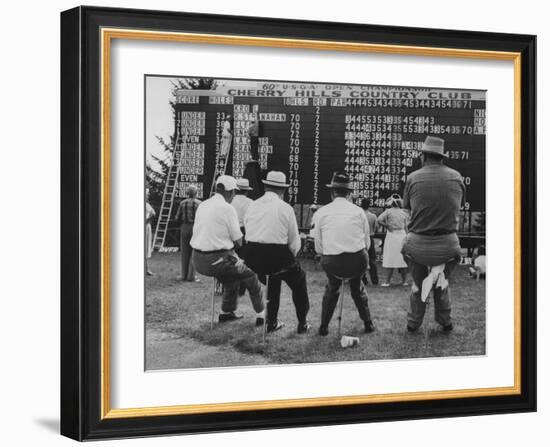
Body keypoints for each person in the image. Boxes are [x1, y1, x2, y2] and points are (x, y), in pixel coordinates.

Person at [402, 136, 465, 332]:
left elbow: (407, 209)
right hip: (447, 246)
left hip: (417, 246)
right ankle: (445, 321)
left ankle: (413, 323)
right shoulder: (456, 177)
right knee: (441, 282)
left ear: (423, 157)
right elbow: (458, 207)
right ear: (442, 157)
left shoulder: (413, 178)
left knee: (419, 284)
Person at [191, 175, 264, 324]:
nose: (234, 196)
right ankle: (262, 314)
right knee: (251, 274)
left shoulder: (203, 205)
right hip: (217, 259)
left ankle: (226, 312)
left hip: (197, 259)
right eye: (234, 193)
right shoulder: (227, 208)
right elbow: (238, 241)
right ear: (230, 192)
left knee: (231, 278)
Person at [243, 171, 311, 334]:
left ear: (266, 186)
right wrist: (291, 258)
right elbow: (294, 242)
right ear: (282, 190)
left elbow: (248, 233)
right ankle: (302, 323)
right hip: (277, 257)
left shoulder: (252, 205)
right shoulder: (285, 208)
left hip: (253, 257)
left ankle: (272, 322)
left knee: (273, 279)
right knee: (298, 280)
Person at [312, 172, 375, 336]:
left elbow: (318, 247)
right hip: (358, 260)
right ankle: (368, 323)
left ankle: (324, 326)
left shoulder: (321, 212)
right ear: (349, 193)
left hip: (332, 262)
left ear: (333, 192)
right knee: (357, 288)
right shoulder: (359, 212)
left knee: (332, 288)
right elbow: (367, 243)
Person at [377, 194, 409, 287]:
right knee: (402, 258)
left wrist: (387, 225)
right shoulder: (404, 213)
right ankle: (404, 281)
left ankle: (387, 281)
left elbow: (379, 220)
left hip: (392, 235)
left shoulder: (388, 212)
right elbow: (407, 226)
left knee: (390, 257)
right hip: (402, 235)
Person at [175, 185, 202, 281]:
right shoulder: (199, 203)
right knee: (193, 251)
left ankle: (183, 275)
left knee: (184, 252)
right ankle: (191, 276)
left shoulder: (182, 203)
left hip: (184, 227)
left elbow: (177, 217)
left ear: (187, 193)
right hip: (195, 227)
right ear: (195, 193)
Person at [359, 198, 379, 285]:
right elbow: (376, 228)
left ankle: (363, 279)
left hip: (360, 239)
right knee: (372, 260)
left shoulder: (358, 215)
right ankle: (375, 280)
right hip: (370, 238)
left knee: (360, 260)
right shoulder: (373, 216)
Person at [145, 188, 156, 276]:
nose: (148, 196)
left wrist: (148, 220)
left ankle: (146, 268)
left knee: (145, 246)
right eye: (147, 194)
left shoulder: (147, 204)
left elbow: (153, 213)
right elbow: (153, 214)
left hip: (146, 226)